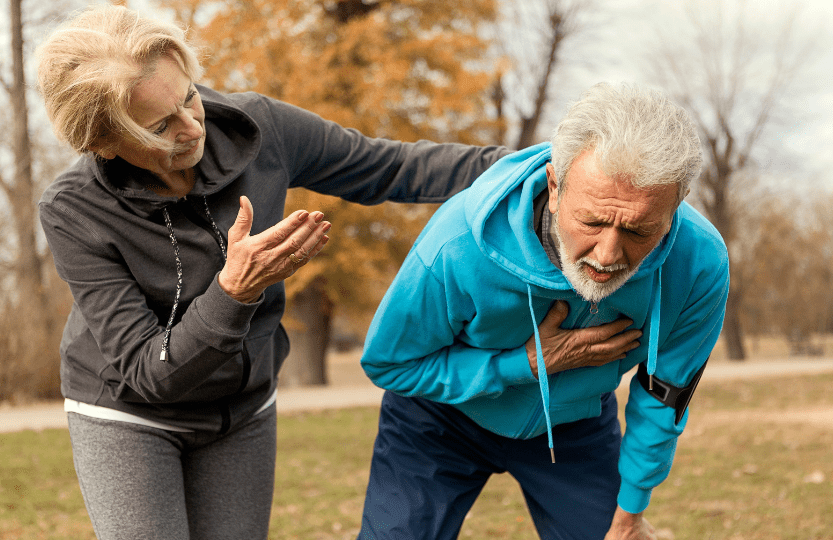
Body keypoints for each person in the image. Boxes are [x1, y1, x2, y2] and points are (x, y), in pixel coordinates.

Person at [35, 5, 508, 540]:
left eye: (189, 95)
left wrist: (542, 166)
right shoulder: (73, 210)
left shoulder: (257, 127)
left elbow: (392, 167)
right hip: (128, 414)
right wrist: (233, 291)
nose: (193, 127)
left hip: (243, 408)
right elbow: (149, 370)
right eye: (160, 126)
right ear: (103, 142)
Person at [358, 82, 730, 540]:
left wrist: (631, 507)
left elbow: (665, 391)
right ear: (555, 187)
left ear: (677, 205)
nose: (608, 254)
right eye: (592, 222)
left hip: (574, 425)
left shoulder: (699, 264)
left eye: (638, 230)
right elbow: (389, 363)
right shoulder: (455, 246)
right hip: (438, 419)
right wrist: (526, 363)